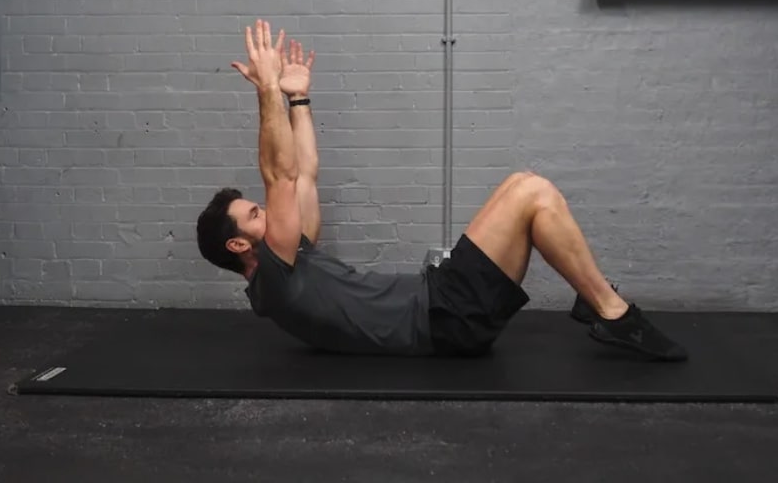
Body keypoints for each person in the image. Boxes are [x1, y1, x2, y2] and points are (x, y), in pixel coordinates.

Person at [197, 20, 688, 361]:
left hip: (440, 301)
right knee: (532, 192)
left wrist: (297, 96)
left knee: (522, 184)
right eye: (255, 214)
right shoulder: (276, 281)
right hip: (447, 319)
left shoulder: (293, 262)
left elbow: (303, 175)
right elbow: (280, 176)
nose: (269, 212)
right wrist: (265, 91)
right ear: (239, 245)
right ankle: (611, 312)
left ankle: (594, 301)